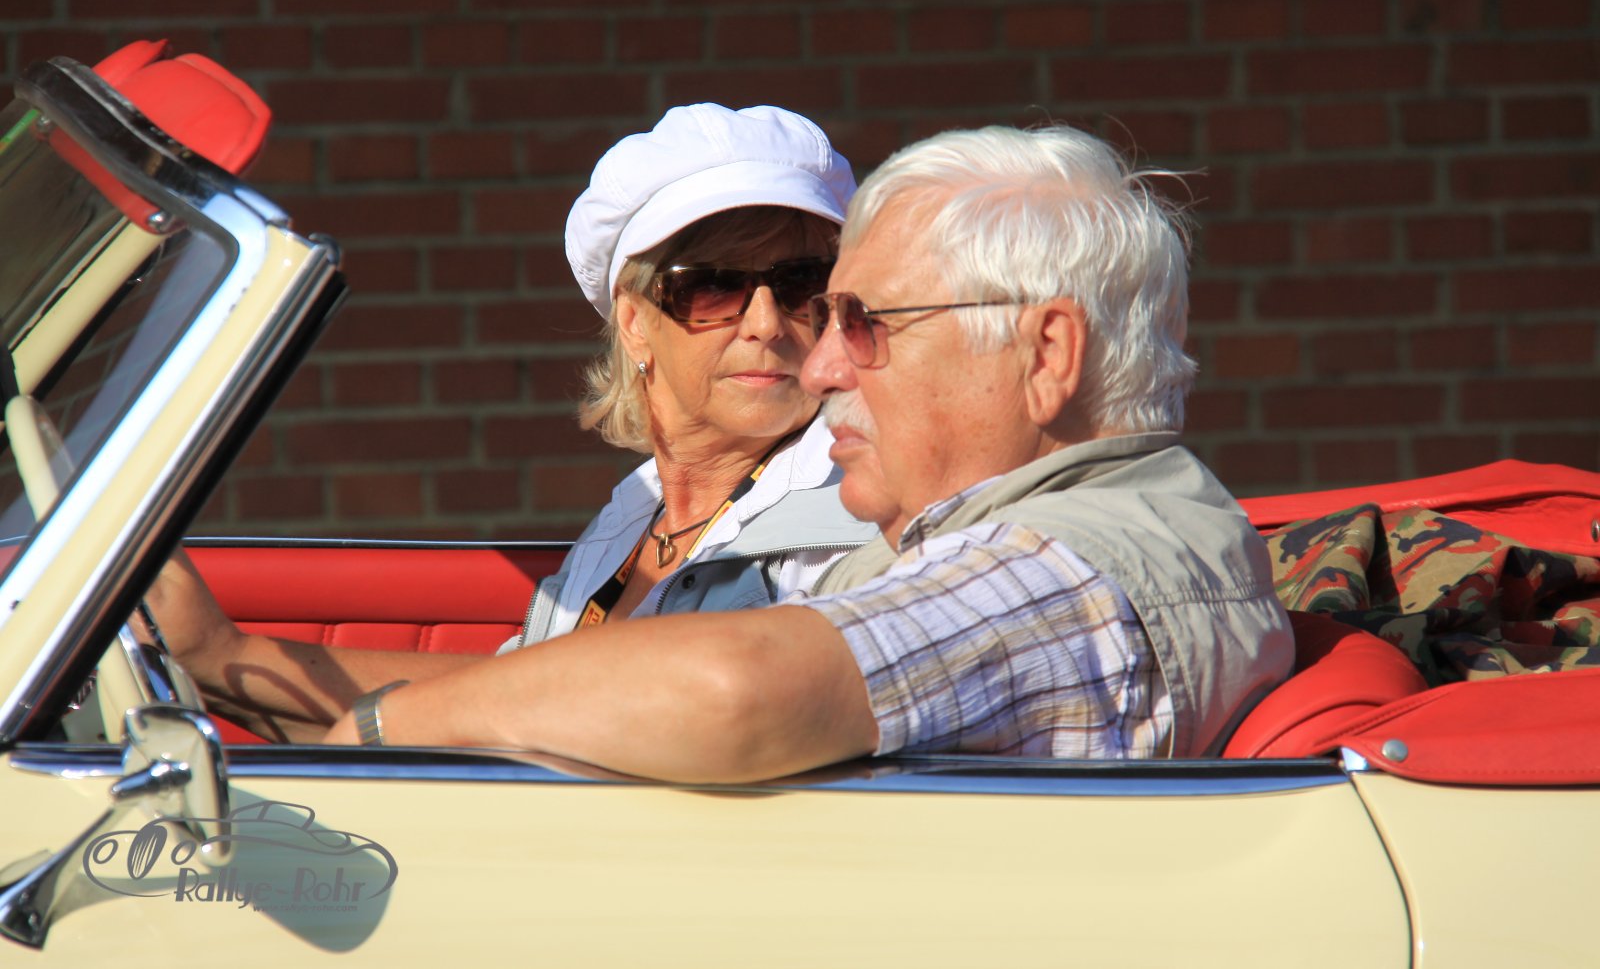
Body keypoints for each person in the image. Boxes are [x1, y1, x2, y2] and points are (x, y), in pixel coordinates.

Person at [313, 123, 1293, 778]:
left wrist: (379, 730)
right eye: (711, 285)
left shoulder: (1071, 567)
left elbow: (731, 689)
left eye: (862, 320)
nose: (816, 363)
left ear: (1045, 355)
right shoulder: (1006, 535)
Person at [150, 103, 878, 743]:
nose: (765, 323)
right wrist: (218, 657)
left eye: (799, 284)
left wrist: (227, 657)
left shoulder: (861, 504)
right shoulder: (632, 515)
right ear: (634, 322)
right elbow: (500, 714)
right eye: (713, 288)